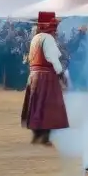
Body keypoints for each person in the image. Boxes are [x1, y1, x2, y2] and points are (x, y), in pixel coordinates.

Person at [20, 11, 69, 146]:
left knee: (36, 105)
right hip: (46, 76)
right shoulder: (47, 38)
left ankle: (37, 135)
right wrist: (61, 74)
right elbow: (52, 58)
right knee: (48, 106)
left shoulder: (35, 38)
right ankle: (44, 137)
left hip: (34, 75)